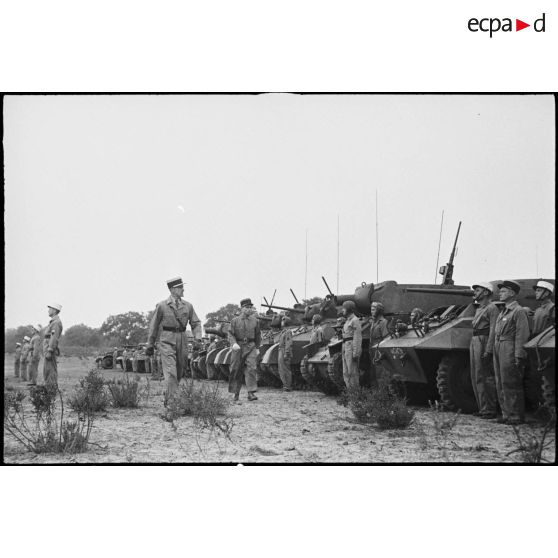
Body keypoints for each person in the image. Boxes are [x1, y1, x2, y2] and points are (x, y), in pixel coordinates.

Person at [146, 277, 202, 405]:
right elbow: (154, 326)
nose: (183, 289)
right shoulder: (162, 306)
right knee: (171, 371)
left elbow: (196, 323)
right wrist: (150, 343)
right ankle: (173, 402)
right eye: (180, 287)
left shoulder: (188, 306)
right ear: (172, 289)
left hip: (182, 338)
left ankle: (169, 393)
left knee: (180, 369)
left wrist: (197, 338)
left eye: (182, 287)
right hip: (166, 339)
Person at [493, 280, 530, 425]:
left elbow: (522, 334)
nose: (500, 293)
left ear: (513, 293)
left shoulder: (518, 311)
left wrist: (519, 354)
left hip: (509, 347)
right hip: (499, 345)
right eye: (500, 291)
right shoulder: (503, 311)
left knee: (511, 381)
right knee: (500, 381)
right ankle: (506, 414)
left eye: (503, 291)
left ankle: (515, 416)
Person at [469, 283, 499, 419]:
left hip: (484, 340)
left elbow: (493, 329)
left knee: (486, 375)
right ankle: (483, 407)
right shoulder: (479, 309)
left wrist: (489, 349)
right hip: (475, 340)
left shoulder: (492, 308)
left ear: (486, 293)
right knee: (476, 375)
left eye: (478, 290)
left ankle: (490, 409)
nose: (475, 292)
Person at [228, 298, 261, 403]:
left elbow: (258, 335)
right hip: (238, 347)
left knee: (251, 368)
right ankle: (235, 394)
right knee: (236, 369)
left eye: (251, 307)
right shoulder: (235, 321)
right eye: (247, 307)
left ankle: (251, 393)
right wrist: (233, 343)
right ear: (241, 308)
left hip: (251, 346)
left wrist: (258, 348)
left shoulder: (255, 321)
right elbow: (230, 334)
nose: (249, 309)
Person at [341, 300, 362, 390]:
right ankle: (350, 393)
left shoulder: (355, 320)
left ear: (349, 309)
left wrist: (356, 352)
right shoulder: (347, 321)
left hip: (351, 347)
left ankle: (355, 394)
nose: (342, 310)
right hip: (345, 346)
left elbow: (357, 337)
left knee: (352, 372)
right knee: (345, 372)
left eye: (344, 308)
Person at [367, 301, 389, 387]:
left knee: (381, 372)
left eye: (373, 310)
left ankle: (384, 395)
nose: (371, 312)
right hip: (372, 348)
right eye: (371, 310)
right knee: (374, 373)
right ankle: (377, 395)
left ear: (379, 311)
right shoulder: (374, 322)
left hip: (379, 350)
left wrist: (381, 352)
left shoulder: (383, 322)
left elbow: (386, 338)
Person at [44, 303, 63, 390]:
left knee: (50, 370)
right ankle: (50, 388)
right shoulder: (53, 322)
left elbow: (54, 338)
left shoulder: (56, 323)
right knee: (48, 369)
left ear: (55, 310)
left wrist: (50, 350)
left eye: (50, 308)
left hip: (50, 350)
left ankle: (51, 389)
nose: (48, 310)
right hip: (48, 348)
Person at [277, 315, 293, 391]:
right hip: (281, 350)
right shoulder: (283, 331)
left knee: (286, 369)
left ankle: (287, 386)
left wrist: (286, 353)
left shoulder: (288, 332)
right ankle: (285, 385)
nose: (281, 322)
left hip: (284, 351)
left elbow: (288, 343)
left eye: (283, 320)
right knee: (281, 369)